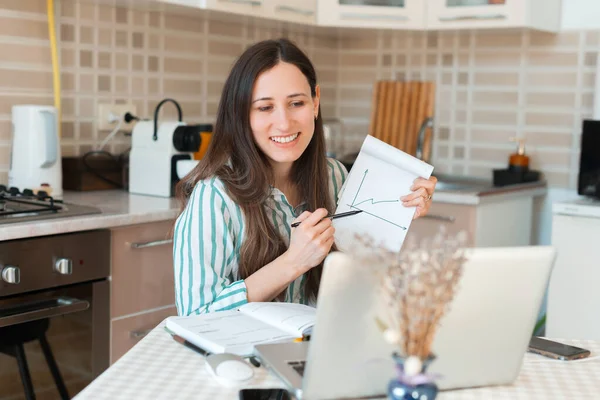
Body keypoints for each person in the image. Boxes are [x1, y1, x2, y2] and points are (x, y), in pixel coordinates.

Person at [173, 38, 437, 316]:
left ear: (315, 102)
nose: (284, 122)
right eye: (265, 107)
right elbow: (195, 318)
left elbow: (363, 277)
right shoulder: (213, 197)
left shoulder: (333, 176)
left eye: (296, 103)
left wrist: (399, 213)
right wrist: (293, 262)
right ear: (241, 114)